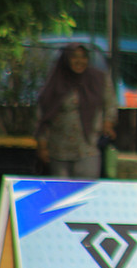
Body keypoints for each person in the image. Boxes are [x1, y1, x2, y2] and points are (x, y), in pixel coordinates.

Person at [35, 42, 117, 179]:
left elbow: (110, 103)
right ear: (66, 59)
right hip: (58, 148)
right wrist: (42, 145)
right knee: (62, 194)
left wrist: (108, 122)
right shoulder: (56, 81)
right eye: (74, 57)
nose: (79, 61)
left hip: (88, 146)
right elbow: (42, 115)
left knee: (86, 190)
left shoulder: (98, 79)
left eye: (83, 57)